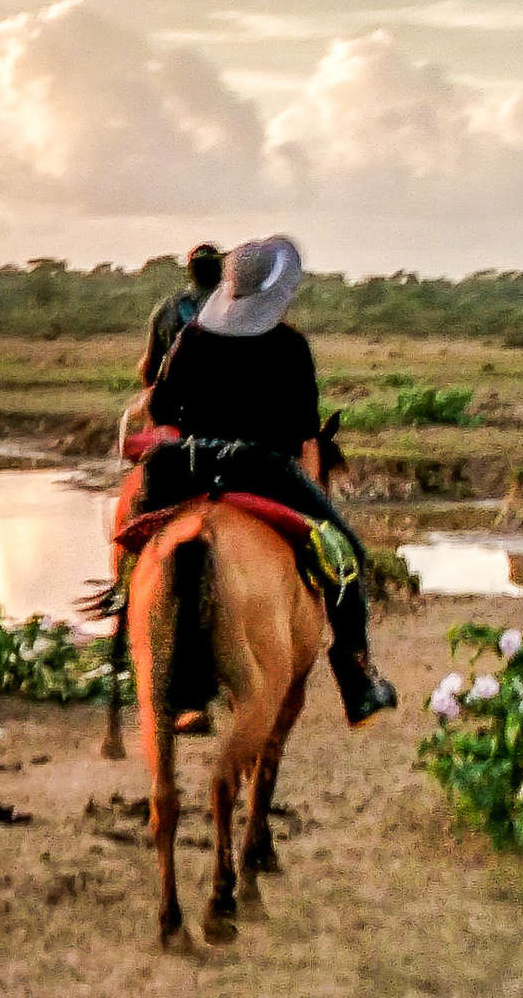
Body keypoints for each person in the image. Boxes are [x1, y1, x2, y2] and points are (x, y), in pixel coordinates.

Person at [144, 235, 398, 727]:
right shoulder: (290, 347)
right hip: (264, 472)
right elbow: (304, 431)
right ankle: (356, 676)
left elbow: (158, 409)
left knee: (142, 530)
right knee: (346, 552)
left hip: (190, 466)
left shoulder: (191, 337)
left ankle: (128, 606)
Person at [137, 243, 223, 387]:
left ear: (190, 271)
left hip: (178, 396)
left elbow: (151, 366)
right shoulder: (235, 306)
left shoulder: (168, 308)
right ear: (220, 268)